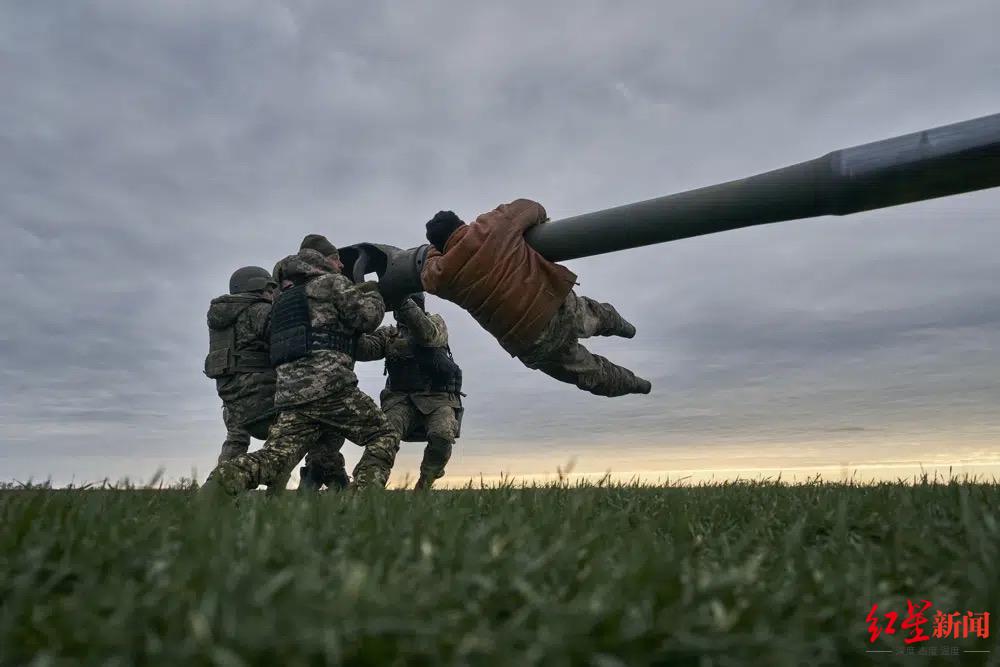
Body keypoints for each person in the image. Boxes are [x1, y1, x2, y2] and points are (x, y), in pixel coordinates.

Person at [200, 235, 400, 496]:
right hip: (331, 388)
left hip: (289, 396)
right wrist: (374, 293)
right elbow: (368, 318)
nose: (341, 266)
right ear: (325, 261)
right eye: (337, 260)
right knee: (383, 434)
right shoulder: (331, 284)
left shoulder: (283, 300)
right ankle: (365, 497)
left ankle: (225, 479)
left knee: (274, 457)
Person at [421, 199, 651, 398]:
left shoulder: (441, 274)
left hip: (533, 343)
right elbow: (532, 207)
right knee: (598, 314)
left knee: (594, 375)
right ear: (461, 223)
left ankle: (639, 385)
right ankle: (627, 329)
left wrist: (433, 250)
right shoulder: (492, 224)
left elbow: (427, 274)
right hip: (557, 306)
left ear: (440, 246)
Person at [204, 265, 349, 490]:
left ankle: (218, 494)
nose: (274, 294)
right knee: (321, 425)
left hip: (233, 400)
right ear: (260, 288)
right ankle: (308, 486)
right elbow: (288, 334)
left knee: (236, 443)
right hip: (262, 399)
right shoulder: (257, 311)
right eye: (271, 289)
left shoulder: (223, 318)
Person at [356, 293, 463, 489]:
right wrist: (352, 325)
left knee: (442, 435)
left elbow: (427, 336)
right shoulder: (389, 334)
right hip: (400, 399)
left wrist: (401, 298)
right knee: (383, 437)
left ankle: (425, 482)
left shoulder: (436, 322)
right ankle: (366, 488)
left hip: (436, 398)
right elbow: (365, 350)